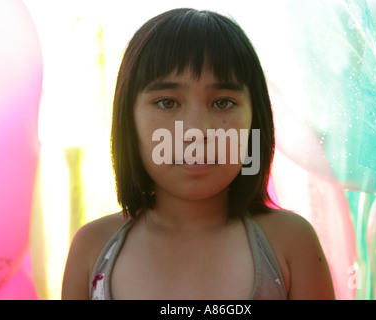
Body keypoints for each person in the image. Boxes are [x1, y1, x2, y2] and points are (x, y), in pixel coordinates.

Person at [61, 8, 335, 300]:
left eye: (222, 103)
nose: (196, 130)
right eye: (167, 102)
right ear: (130, 120)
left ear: (255, 120)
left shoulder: (291, 243)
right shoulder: (93, 248)